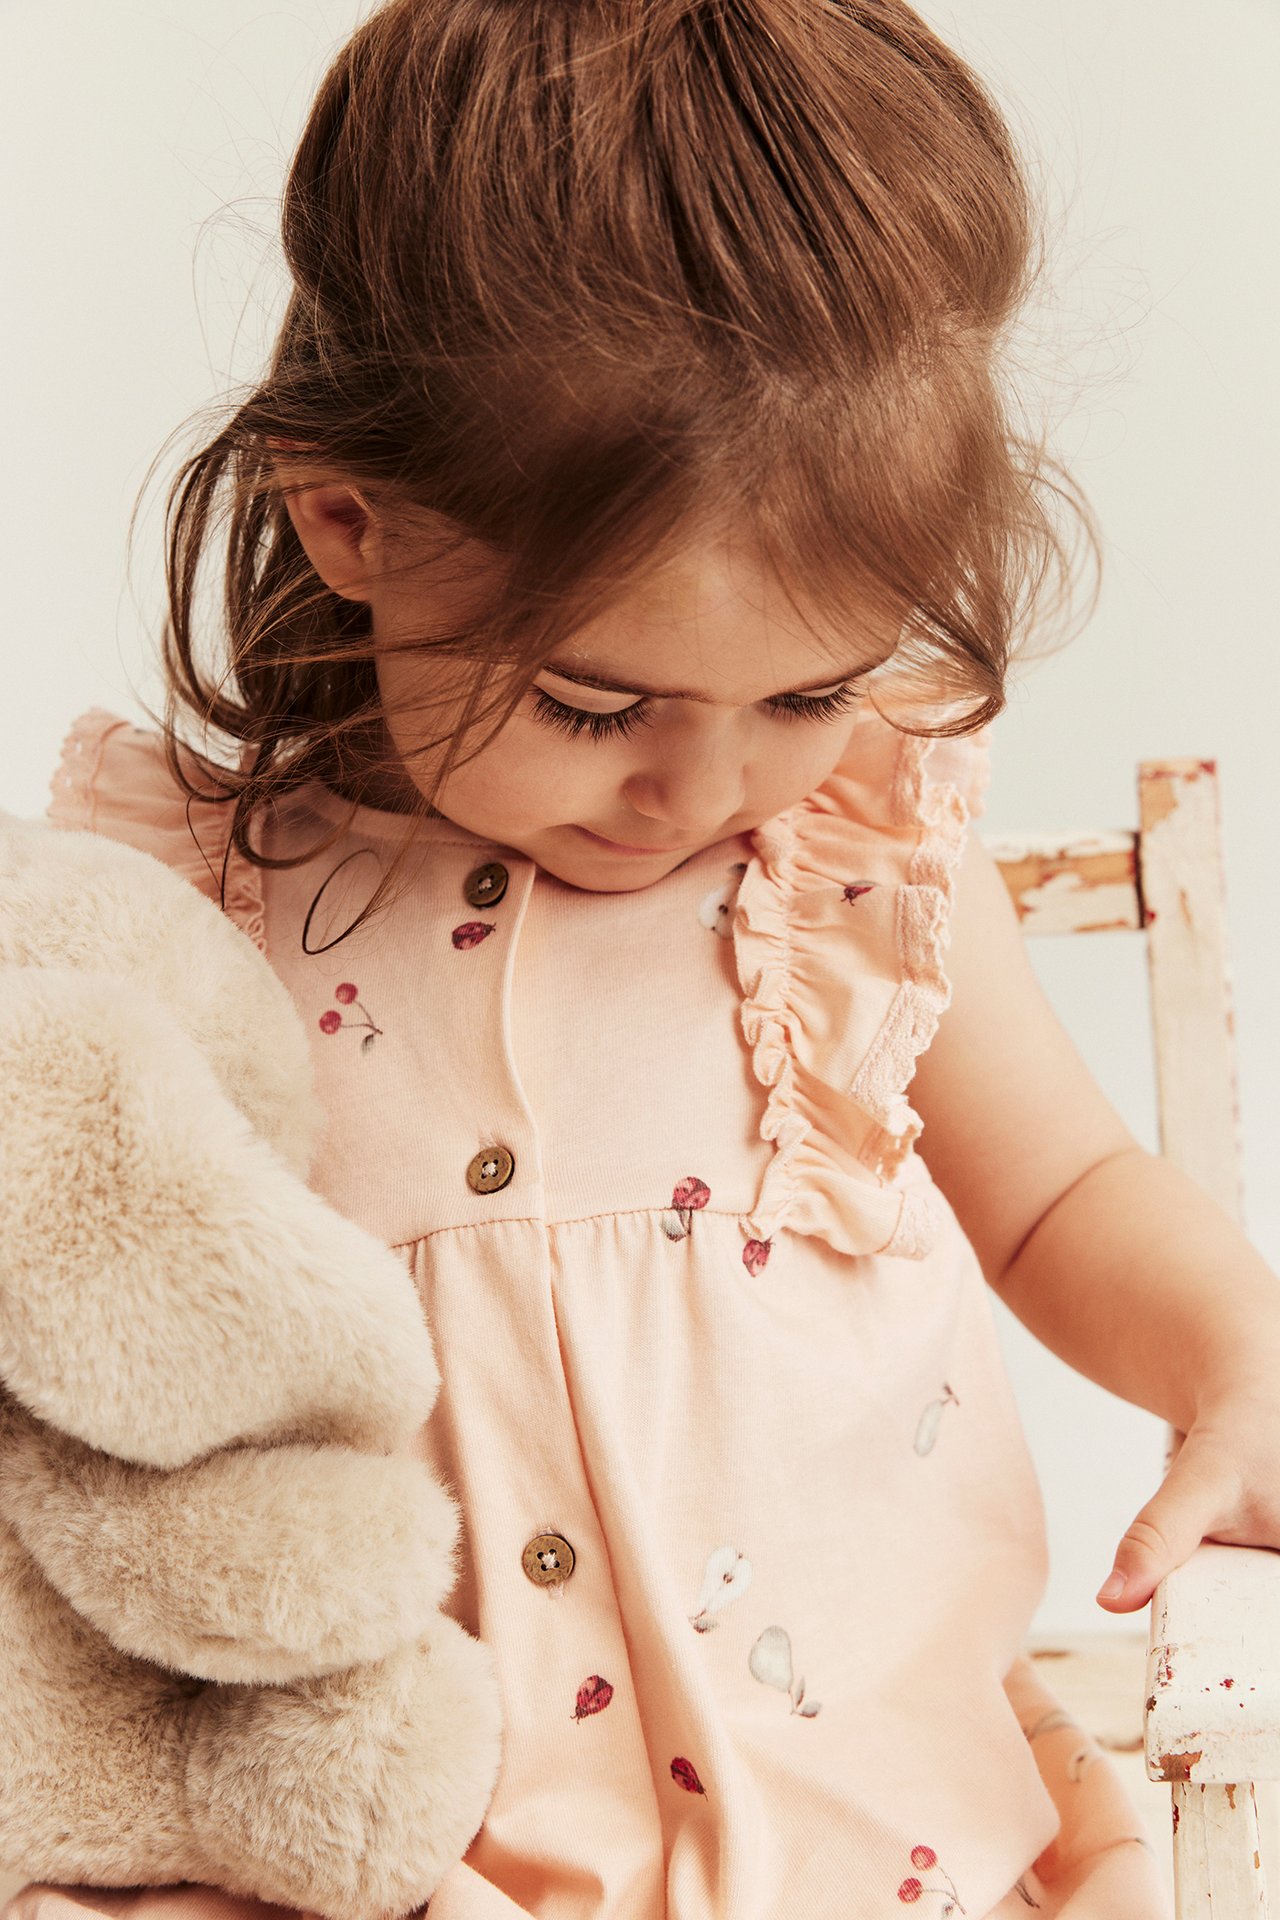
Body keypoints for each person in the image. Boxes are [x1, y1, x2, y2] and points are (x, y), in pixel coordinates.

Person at [8, 1, 1280, 1914]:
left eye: (810, 691)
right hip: (388, 1861)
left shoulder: (848, 864)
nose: (699, 786)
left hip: (879, 1844)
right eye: (598, 701)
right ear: (348, 516)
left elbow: (1066, 1199)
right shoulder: (190, 908)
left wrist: (1237, 1360)